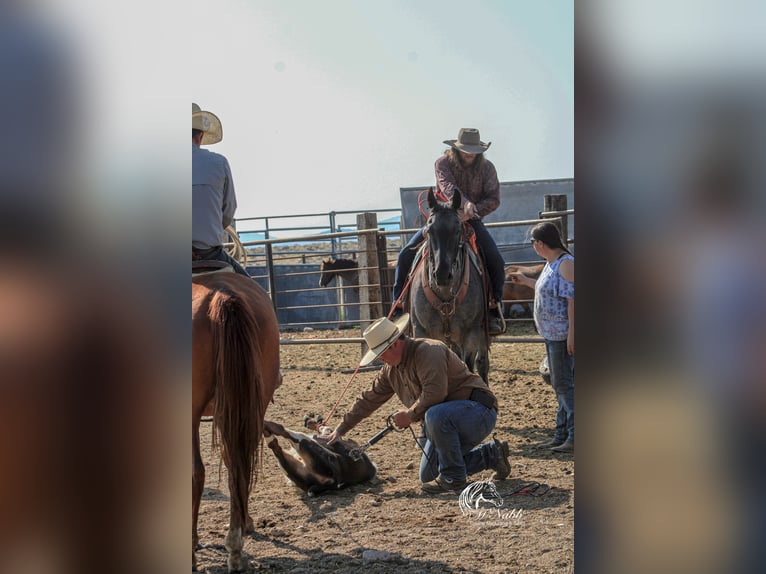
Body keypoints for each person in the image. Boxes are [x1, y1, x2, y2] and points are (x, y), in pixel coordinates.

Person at [320, 314, 511, 493]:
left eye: (380, 354)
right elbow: (369, 399)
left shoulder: (429, 351)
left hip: (478, 412)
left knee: (435, 415)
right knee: (429, 474)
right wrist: (341, 429)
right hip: (449, 422)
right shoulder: (390, 370)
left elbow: (435, 393)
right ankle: (491, 455)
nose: (380, 359)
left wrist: (409, 415)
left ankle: (454, 477)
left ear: (394, 345)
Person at [392, 128, 506, 334]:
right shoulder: (443, 163)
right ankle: (398, 305)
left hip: (472, 219)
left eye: (473, 151)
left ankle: (494, 307)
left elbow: (494, 198)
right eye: (466, 150)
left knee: (495, 259)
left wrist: (474, 211)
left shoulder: (487, 168)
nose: (470, 154)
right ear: (456, 149)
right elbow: (447, 187)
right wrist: (465, 203)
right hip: (443, 218)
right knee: (405, 254)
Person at [509, 221, 574, 453]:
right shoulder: (552, 264)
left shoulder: (566, 264)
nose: (533, 246)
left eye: (533, 242)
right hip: (552, 333)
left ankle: (574, 435)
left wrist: (572, 334)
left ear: (540, 243)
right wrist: (526, 282)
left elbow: (572, 300)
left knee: (563, 384)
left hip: (561, 333)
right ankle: (562, 434)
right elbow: (548, 289)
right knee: (560, 383)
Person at [192, 102, 250, 276]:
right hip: (210, 252)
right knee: (255, 290)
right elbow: (229, 209)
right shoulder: (219, 162)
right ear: (200, 136)